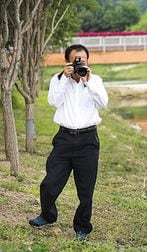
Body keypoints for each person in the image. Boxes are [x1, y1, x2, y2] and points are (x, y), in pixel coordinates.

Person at [29, 44, 109, 241]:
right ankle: (47, 215)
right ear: (68, 61)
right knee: (50, 182)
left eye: (83, 59)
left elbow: (103, 103)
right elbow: (53, 101)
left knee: (86, 189)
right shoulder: (58, 80)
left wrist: (88, 81)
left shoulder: (95, 80)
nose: (80, 63)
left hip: (88, 140)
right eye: (76, 60)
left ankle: (82, 226)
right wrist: (65, 78)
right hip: (64, 138)